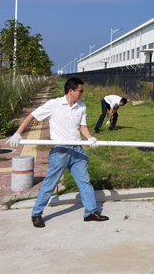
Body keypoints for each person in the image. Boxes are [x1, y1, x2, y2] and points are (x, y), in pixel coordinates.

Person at [6, 77, 108, 228]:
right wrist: (18, 134)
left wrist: (90, 138)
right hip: (60, 151)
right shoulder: (54, 104)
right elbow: (32, 116)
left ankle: (90, 212)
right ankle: (36, 214)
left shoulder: (81, 107)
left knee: (85, 181)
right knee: (50, 183)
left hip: (77, 150)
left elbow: (83, 127)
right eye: (80, 90)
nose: (82, 93)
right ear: (71, 91)